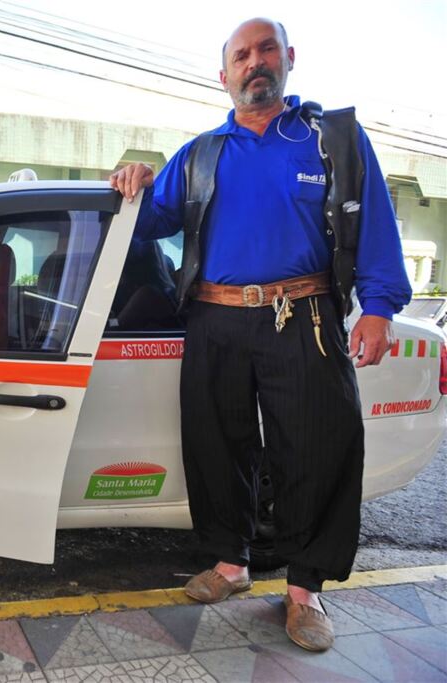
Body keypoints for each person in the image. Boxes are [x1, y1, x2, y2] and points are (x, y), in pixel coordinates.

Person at [109, 18, 410, 652]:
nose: (255, 62)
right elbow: (150, 220)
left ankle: (304, 592)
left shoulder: (332, 143)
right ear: (225, 76)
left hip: (304, 317)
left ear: (289, 58)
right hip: (214, 318)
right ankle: (230, 564)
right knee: (218, 442)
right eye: (241, 55)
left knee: (316, 449)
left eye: (265, 49)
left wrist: (379, 307)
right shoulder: (199, 153)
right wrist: (133, 175)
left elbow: (375, 223)